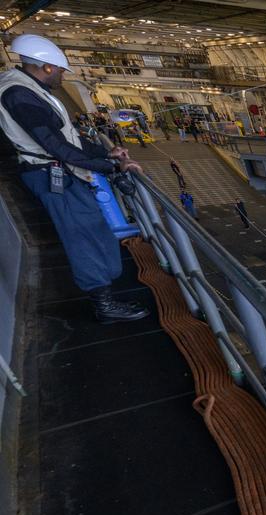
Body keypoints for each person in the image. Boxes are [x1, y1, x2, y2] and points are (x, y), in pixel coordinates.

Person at [0, 35, 148, 324]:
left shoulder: (28, 89)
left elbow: (67, 137)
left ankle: (106, 294)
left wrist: (107, 153)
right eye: (59, 70)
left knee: (93, 229)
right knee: (81, 237)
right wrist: (110, 168)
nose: (62, 76)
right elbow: (54, 145)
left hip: (59, 172)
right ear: (45, 67)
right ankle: (104, 306)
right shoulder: (19, 94)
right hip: (50, 174)